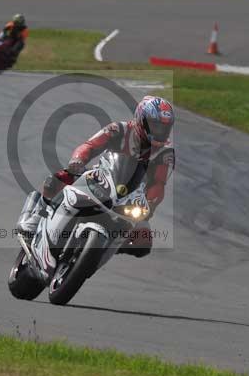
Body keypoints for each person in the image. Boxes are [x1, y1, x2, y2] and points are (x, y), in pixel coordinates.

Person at [18, 95, 175, 258]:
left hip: (133, 196)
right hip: (103, 177)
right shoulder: (119, 130)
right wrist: (78, 160)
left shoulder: (165, 151)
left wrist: (150, 204)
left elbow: (159, 183)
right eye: (156, 126)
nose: (160, 132)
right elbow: (90, 146)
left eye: (164, 128)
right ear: (141, 120)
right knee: (58, 180)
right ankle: (36, 217)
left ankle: (104, 249)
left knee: (143, 243)